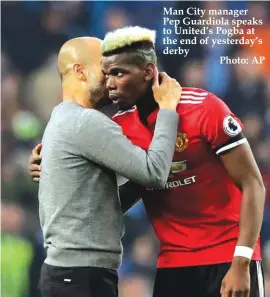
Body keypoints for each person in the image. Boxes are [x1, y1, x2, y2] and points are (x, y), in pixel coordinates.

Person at [29, 27, 266, 297]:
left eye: (118, 73)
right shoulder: (119, 126)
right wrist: (51, 165)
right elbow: (112, 193)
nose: (110, 84)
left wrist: (242, 260)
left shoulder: (203, 108)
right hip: (173, 265)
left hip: (228, 257)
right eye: (106, 75)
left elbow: (253, 185)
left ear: (148, 72)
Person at [35, 36, 182, 297]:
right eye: (104, 70)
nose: (111, 80)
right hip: (81, 275)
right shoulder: (86, 122)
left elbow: (101, 203)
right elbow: (154, 172)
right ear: (79, 70)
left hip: (73, 272)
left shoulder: (62, 117)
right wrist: (168, 109)